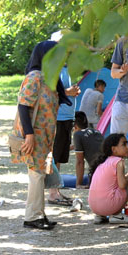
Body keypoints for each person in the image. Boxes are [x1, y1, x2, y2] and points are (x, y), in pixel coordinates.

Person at [10, 40, 72, 230]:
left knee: (40, 174)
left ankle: (39, 214)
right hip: (34, 136)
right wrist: (28, 134)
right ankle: (32, 217)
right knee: (36, 175)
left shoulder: (49, 77)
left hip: (45, 136)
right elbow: (23, 106)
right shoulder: (35, 77)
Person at [88, 133, 128, 224]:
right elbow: (122, 184)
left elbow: (119, 181)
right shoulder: (118, 161)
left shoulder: (103, 162)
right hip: (108, 206)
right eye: (124, 144)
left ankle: (100, 216)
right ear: (114, 149)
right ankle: (116, 214)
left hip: (94, 207)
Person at [48, 65, 80, 206]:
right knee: (54, 156)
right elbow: (50, 91)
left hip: (67, 117)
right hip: (58, 117)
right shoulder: (55, 67)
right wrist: (68, 91)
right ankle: (52, 193)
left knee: (59, 157)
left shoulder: (67, 68)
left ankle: (56, 190)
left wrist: (74, 91)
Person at [72, 111, 103, 189]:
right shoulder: (95, 131)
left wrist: (78, 184)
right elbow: (89, 145)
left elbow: (80, 162)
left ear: (75, 126)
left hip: (98, 172)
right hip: (107, 167)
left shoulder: (77, 135)